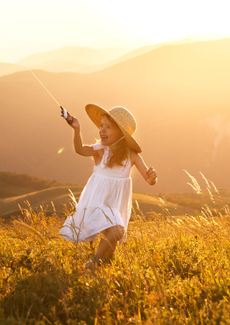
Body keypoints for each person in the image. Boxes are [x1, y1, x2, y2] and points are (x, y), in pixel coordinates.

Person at [59, 104, 157, 270]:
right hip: (98, 203)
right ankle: (92, 262)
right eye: (102, 126)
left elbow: (149, 180)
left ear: (121, 133)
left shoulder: (132, 155)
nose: (102, 130)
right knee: (117, 230)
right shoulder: (100, 151)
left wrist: (152, 177)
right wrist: (76, 129)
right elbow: (80, 150)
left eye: (109, 127)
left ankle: (99, 268)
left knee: (110, 251)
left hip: (115, 205)